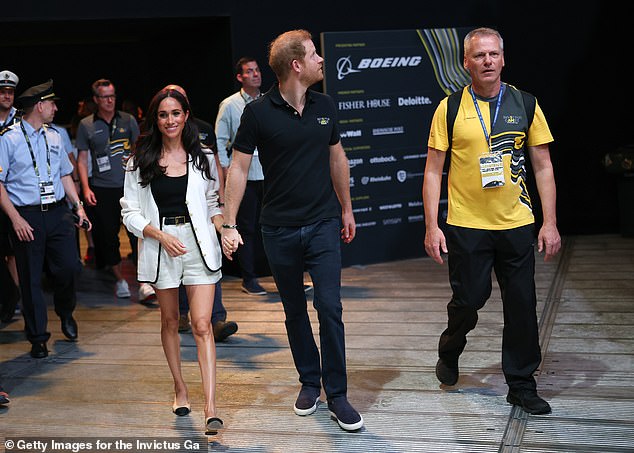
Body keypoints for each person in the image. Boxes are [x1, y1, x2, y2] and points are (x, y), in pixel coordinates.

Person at [222, 29, 363, 431]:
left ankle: (337, 394)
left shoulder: (325, 105)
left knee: (330, 308)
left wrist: (347, 208)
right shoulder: (258, 113)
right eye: (314, 54)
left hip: (322, 223)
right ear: (296, 65)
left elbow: (338, 158)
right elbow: (239, 168)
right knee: (294, 311)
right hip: (278, 229)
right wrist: (229, 222)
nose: (322, 59)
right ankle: (309, 381)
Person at [423, 27, 561, 415]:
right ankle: (450, 350)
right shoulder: (449, 109)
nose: (487, 61)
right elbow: (433, 171)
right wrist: (432, 226)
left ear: (503, 58)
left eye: (494, 54)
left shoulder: (526, 103)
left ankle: (521, 383)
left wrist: (548, 222)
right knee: (469, 299)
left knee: (521, 305)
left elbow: (543, 166)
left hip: (517, 222)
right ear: (465, 62)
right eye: (479, 55)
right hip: (467, 225)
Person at [120, 87, 230, 435]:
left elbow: (213, 203)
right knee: (170, 321)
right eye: (164, 114)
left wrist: (225, 229)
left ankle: (211, 406)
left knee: (201, 324)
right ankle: (180, 388)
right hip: (162, 245)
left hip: (199, 245)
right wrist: (158, 234)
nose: (170, 120)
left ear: (186, 116)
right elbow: (129, 212)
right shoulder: (139, 160)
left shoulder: (204, 157)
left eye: (176, 113)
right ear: (155, 119)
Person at [0, 79, 91, 358]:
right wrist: (15, 219)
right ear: (39, 106)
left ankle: (65, 312)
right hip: (26, 216)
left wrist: (79, 207)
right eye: (51, 104)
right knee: (30, 279)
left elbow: (65, 174)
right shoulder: (9, 138)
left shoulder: (55, 136)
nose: (55, 108)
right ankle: (38, 337)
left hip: (57, 212)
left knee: (69, 268)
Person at [161, 84, 238, 343]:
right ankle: (183, 313)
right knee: (179, 267)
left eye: (177, 107)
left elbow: (214, 164)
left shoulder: (203, 130)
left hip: (204, 213)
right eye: (165, 112)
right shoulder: (154, 135)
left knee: (210, 262)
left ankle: (216, 320)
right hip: (170, 221)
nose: (170, 118)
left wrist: (223, 203)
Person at [76, 78, 155, 302]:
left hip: (128, 186)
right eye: (105, 97)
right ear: (96, 99)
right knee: (108, 237)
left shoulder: (128, 120)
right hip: (101, 188)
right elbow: (82, 160)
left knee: (136, 233)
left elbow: (139, 151)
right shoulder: (86, 125)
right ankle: (119, 279)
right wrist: (85, 187)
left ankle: (144, 282)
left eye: (112, 96)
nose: (110, 101)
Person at [215, 57, 268, 295]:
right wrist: (226, 170)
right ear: (240, 77)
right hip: (244, 177)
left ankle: (285, 278)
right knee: (245, 228)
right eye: (250, 71)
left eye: (257, 70)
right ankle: (249, 278)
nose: (256, 74)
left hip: (270, 174)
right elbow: (219, 140)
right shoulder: (230, 104)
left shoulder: (268, 102)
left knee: (275, 226)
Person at [0, 70, 21, 323]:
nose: (6, 96)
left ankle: (15, 296)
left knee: (14, 250)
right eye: (3, 91)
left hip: (14, 192)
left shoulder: (20, 120)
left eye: (10, 92)